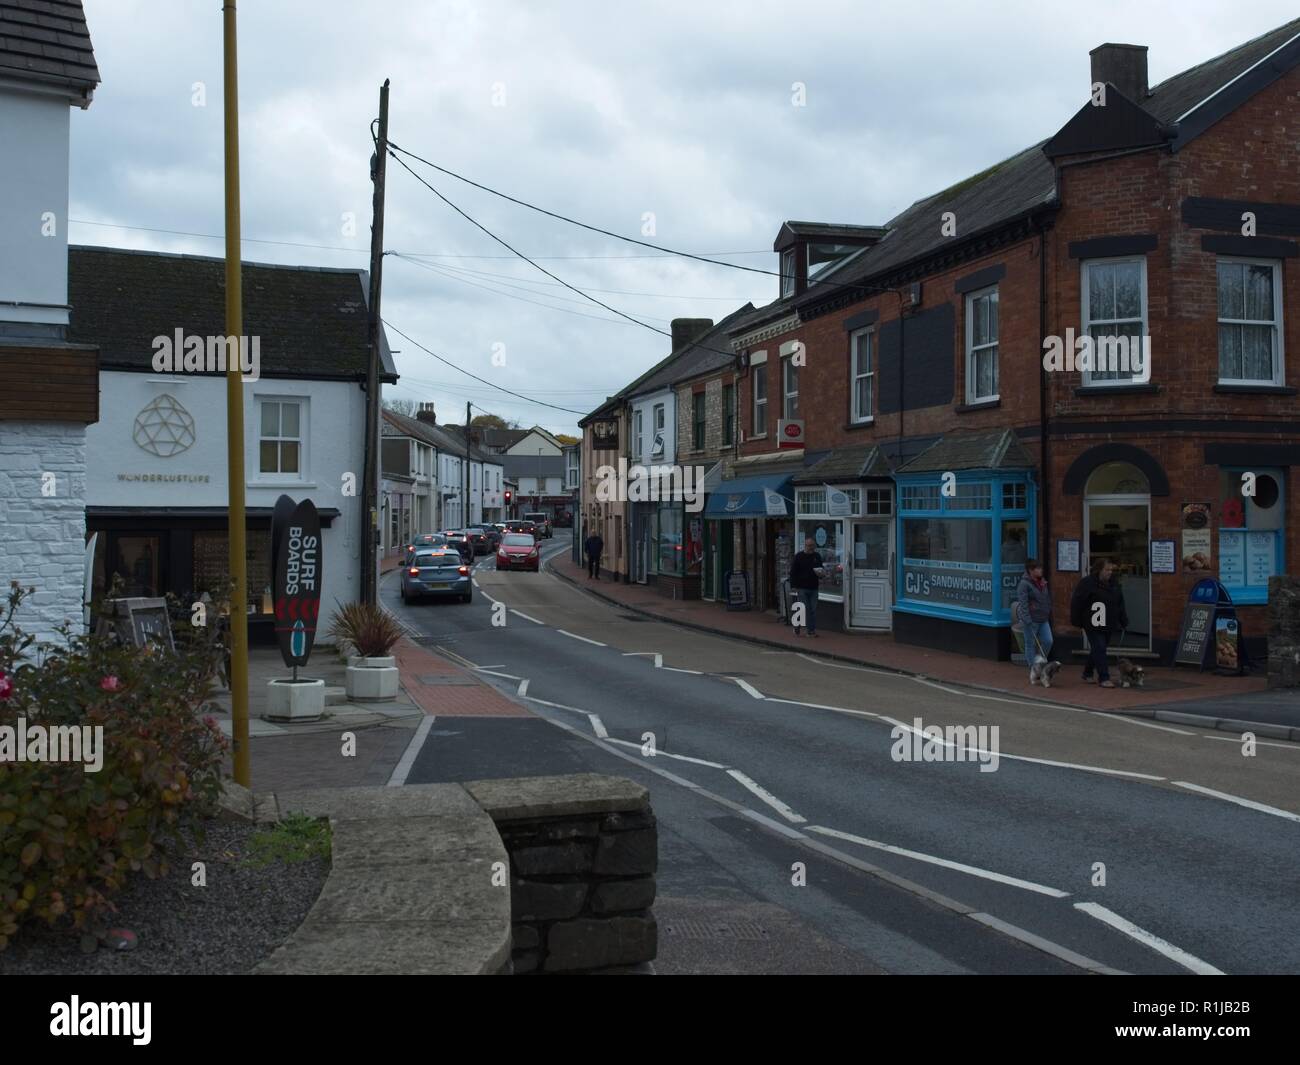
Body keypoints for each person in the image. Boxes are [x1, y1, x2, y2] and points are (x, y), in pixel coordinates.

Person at [1070, 557, 1128, 688]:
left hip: (1108, 622)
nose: (1110, 572)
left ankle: (1087, 672)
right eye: (1107, 570)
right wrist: (1077, 621)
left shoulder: (1114, 584)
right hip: (1092, 622)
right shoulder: (1087, 583)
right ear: (1099, 570)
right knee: (1100, 647)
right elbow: (1077, 602)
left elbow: (1120, 603)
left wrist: (1123, 620)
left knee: (1098, 648)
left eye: (1111, 570)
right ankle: (1104, 677)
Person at [1015, 558, 1056, 685]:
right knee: (1030, 644)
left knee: (1048, 641)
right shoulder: (1024, 584)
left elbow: (1046, 598)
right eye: (1037, 569)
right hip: (1031, 620)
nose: (1040, 571)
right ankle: (1033, 668)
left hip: (1043, 618)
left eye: (1040, 568)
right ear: (1030, 571)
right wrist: (1026, 619)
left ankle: (1040, 662)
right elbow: (1023, 603)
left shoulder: (1042, 582)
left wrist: (1048, 611)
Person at [789, 536, 824, 637]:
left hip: (814, 587)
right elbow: (793, 572)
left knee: (813, 610)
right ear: (805, 546)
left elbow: (821, 569)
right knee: (805, 609)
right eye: (808, 546)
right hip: (802, 587)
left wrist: (821, 574)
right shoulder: (799, 556)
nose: (810, 547)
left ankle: (810, 631)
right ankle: (799, 627)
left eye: (812, 545)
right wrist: (793, 585)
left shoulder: (817, 556)